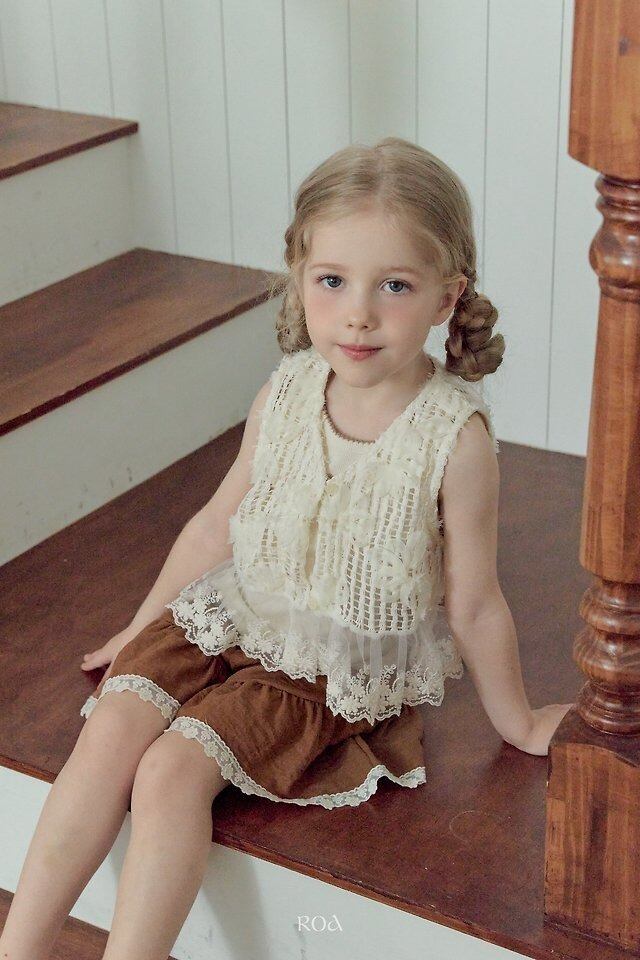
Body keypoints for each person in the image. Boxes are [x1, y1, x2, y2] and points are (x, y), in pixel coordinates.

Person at [0, 136, 573, 960]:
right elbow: (214, 525)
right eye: (332, 280)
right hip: (233, 614)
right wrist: (139, 626)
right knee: (114, 726)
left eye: (395, 286)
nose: (358, 313)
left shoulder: (453, 438)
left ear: (447, 297)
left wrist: (517, 720)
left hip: (323, 669)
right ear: (300, 276)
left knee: (170, 771)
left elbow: (475, 600)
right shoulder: (288, 391)